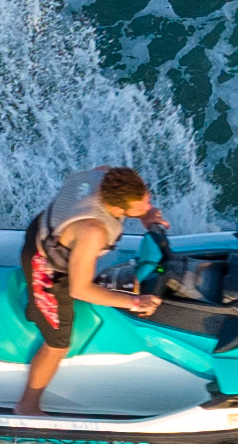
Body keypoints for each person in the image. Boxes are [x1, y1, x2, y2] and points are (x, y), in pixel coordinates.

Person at [18, 166, 175, 412]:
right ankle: (27, 405)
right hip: (45, 267)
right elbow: (80, 290)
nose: (149, 204)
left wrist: (144, 216)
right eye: (142, 204)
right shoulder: (93, 231)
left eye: (147, 198)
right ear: (119, 208)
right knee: (58, 342)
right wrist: (135, 302)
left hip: (49, 229)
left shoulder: (105, 175)